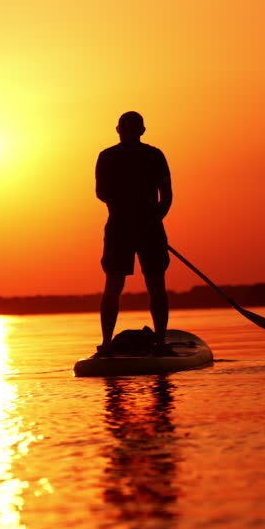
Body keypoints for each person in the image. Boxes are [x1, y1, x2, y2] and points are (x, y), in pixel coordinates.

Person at [95, 111, 174, 356]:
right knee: (115, 285)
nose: (128, 133)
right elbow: (101, 193)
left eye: (132, 129)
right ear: (118, 130)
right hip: (121, 227)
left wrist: (154, 220)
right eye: (126, 129)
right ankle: (107, 344)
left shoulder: (154, 155)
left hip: (146, 227)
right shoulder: (107, 157)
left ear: (141, 131)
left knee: (155, 284)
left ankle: (160, 342)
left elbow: (166, 194)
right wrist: (141, 215)